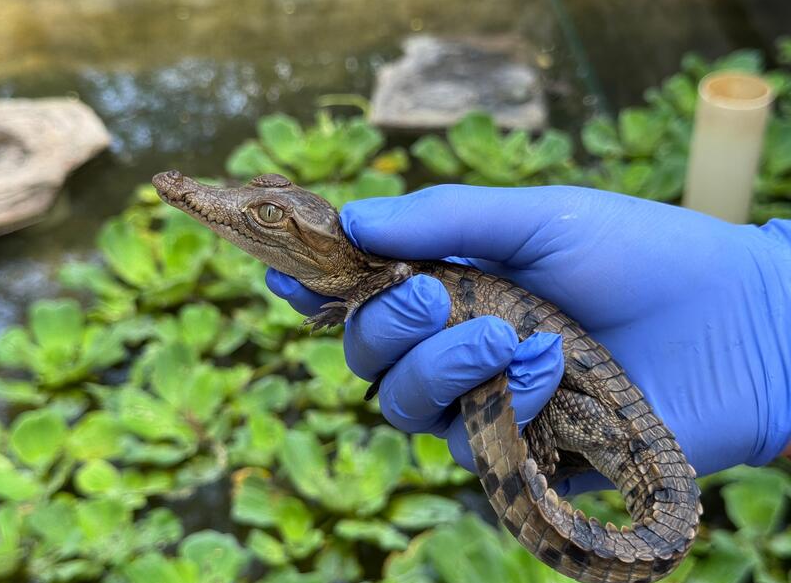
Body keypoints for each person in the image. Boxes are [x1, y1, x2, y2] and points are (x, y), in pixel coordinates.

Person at [266, 184, 791, 494]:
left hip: (594, 391)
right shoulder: (366, 277)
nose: (190, 193)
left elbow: (399, 270)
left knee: (525, 419)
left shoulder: (383, 268)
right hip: (592, 390)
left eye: (269, 213)